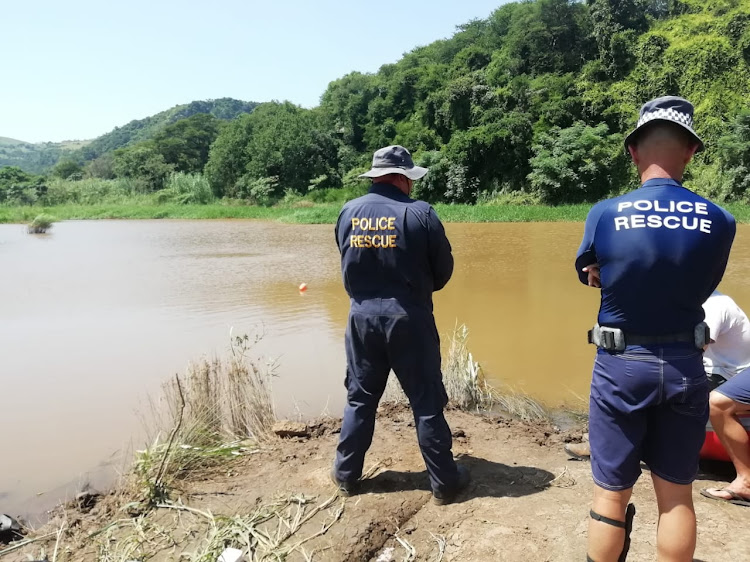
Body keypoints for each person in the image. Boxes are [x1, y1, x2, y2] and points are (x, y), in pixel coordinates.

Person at [575, 96, 736, 562]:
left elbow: (592, 274)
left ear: (633, 152)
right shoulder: (721, 220)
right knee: (676, 495)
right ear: (690, 152)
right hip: (687, 366)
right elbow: (707, 283)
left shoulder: (605, 214)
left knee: (610, 494)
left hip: (621, 366)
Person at [331, 145, 469, 505]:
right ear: (404, 178)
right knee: (426, 403)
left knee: (360, 400)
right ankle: (444, 484)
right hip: (409, 318)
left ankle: (346, 476)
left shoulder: (348, 212)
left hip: (361, 319)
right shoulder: (420, 213)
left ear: (375, 177)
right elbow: (442, 272)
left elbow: (345, 261)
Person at [564, 291, 750, 463]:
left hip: (727, 378)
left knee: (645, 384)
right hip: (712, 373)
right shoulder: (686, 303)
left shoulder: (712, 304)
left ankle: (607, 444)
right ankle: (607, 439)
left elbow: (690, 355)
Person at [700, 291, 750, 507]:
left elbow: (690, 352)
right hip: (725, 377)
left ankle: (746, 482)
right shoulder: (682, 303)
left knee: (717, 404)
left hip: (734, 380)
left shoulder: (712, 304)